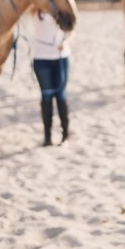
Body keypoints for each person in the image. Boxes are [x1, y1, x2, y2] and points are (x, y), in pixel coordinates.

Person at [30, 8, 72, 146]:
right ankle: (47, 136)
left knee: (61, 95)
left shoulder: (61, 7)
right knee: (46, 95)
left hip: (61, 56)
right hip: (42, 57)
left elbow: (72, 27)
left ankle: (65, 133)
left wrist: (65, 41)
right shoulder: (35, 9)